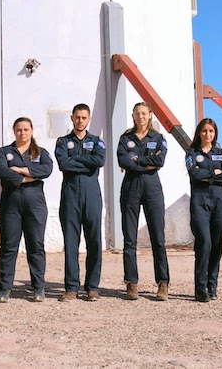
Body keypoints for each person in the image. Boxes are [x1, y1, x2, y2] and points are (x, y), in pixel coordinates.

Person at [0, 117, 54, 303]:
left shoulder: (40, 152)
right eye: (19, 130)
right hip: (10, 205)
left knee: (36, 246)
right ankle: (5, 288)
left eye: (26, 129)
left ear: (32, 131)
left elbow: (47, 169)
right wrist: (28, 176)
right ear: (14, 131)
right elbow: (2, 171)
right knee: (8, 246)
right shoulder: (4, 152)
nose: (22, 133)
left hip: (35, 205)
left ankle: (38, 287)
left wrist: (21, 170)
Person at [116, 102, 170, 301]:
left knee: (158, 238)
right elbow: (122, 160)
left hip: (152, 188)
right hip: (130, 187)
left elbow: (160, 161)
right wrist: (145, 164)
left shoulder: (158, 138)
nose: (141, 117)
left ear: (150, 115)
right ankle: (131, 283)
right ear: (133, 116)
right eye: (137, 113)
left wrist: (136, 160)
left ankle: (163, 282)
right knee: (130, 238)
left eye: (144, 113)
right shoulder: (125, 138)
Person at [54, 103, 106, 301]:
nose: (80, 121)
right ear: (72, 118)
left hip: (91, 194)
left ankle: (92, 287)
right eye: (77, 117)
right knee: (71, 242)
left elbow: (99, 161)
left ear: (89, 119)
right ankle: (71, 287)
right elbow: (63, 164)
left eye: (84, 118)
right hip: (70, 194)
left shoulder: (97, 141)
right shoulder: (62, 141)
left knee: (94, 241)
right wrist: (86, 161)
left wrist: (75, 159)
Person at [185, 118, 222, 302]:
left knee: (217, 243)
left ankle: (212, 285)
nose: (208, 134)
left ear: (215, 133)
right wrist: (214, 173)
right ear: (199, 133)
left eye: (211, 131)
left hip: (219, 200)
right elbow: (194, 174)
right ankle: (200, 288)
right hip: (200, 200)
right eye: (204, 131)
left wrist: (207, 175)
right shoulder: (191, 153)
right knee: (204, 242)